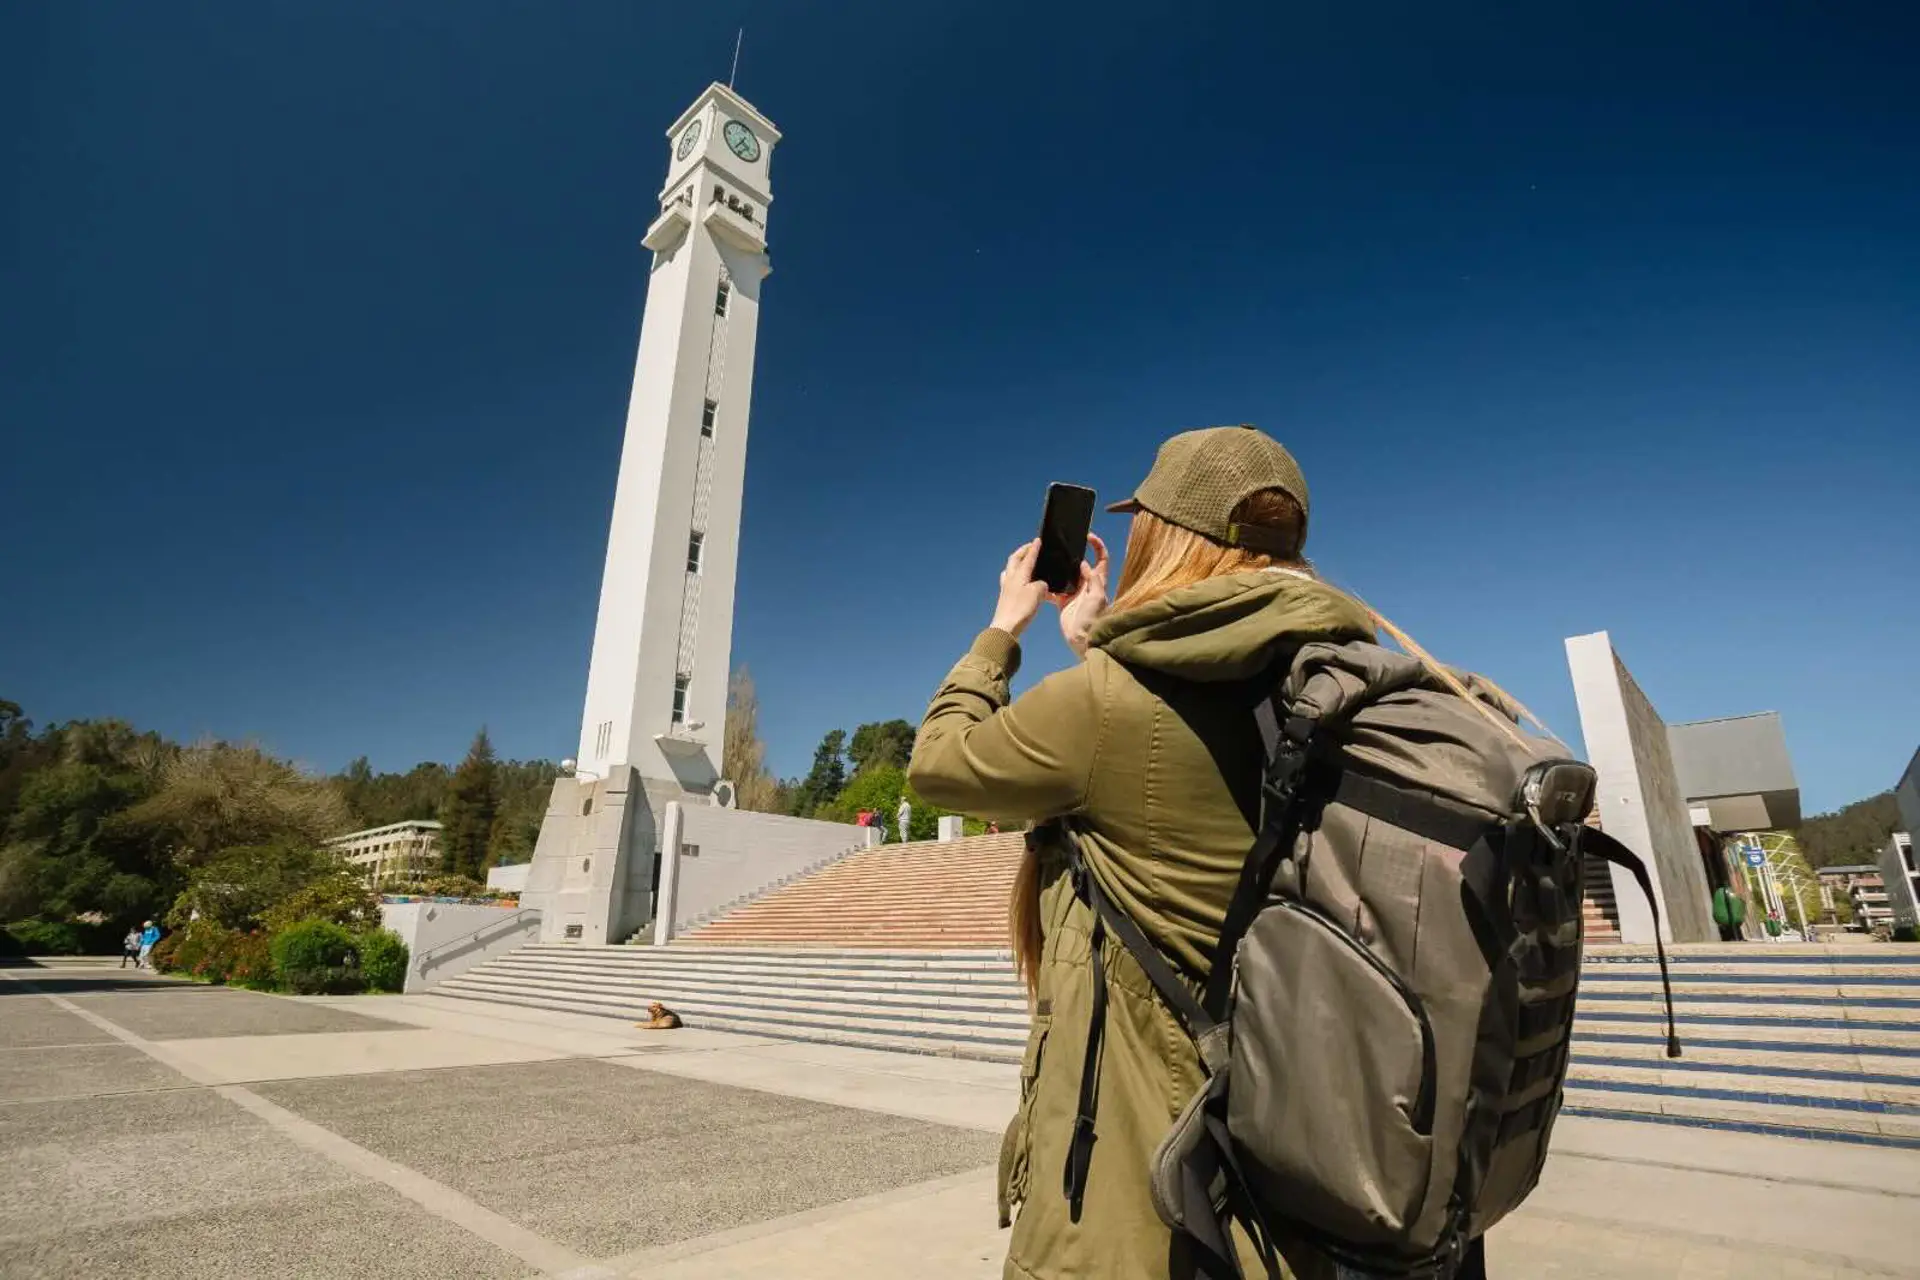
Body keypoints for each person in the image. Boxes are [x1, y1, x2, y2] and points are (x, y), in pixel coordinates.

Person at [909, 426, 1381, 1280]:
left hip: (1145, 1202)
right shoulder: (1337, 681)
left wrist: (1002, 630)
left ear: (1171, 536)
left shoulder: (1106, 705)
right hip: (1301, 1176)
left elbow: (939, 765)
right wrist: (1101, 644)